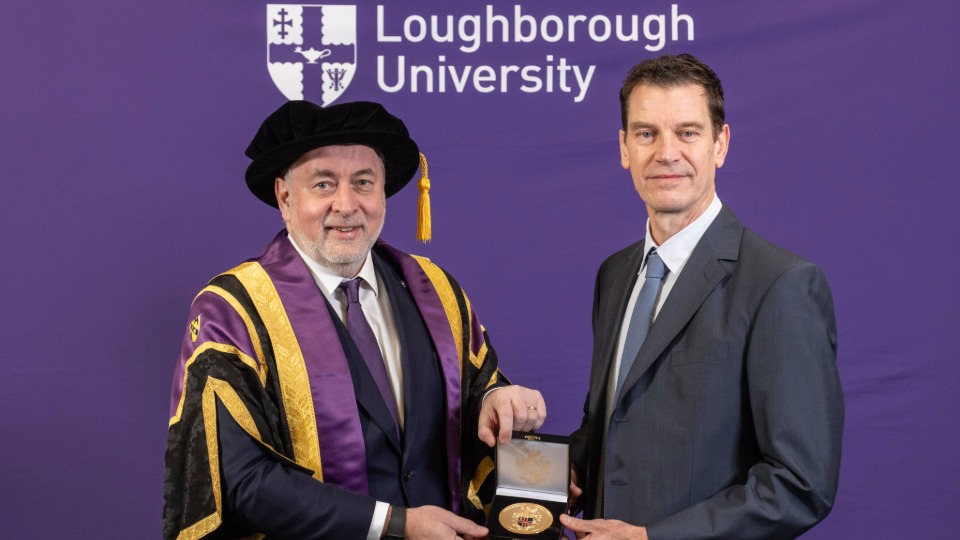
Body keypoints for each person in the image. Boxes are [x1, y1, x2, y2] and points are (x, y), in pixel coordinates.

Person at [163, 100, 547, 539]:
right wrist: (394, 525)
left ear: (383, 193)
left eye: (363, 183)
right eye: (323, 184)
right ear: (285, 198)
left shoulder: (435, 290)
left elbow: (475, 395)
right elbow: (241, 480)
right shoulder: (235, 311)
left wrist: (499, 399)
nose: (346, 205)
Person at [559, 54, 843, 539]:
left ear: (720, 144)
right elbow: (614, 420)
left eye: (687, 132)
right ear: (624, 147)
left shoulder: (781, 284)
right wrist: (550, 472)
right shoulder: (615, 274)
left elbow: (799, 483)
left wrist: (652, 539)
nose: (666, 152)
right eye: (646, 133)